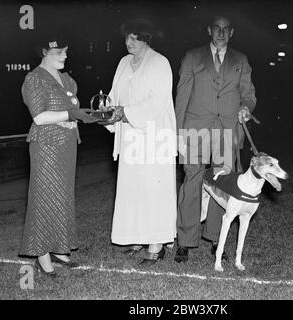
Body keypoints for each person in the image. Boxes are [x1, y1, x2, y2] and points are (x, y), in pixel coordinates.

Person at [174, 14, 257, 262]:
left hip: (227, 130)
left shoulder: (240, 59)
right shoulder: (192, 56)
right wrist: (178, 132)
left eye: (226, 29)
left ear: (231, 33)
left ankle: (213, 238)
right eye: (217, 28)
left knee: (221, 184)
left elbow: (248, 94)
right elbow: (181, 96)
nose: (221, 33)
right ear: (209, 30)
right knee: (192, 180)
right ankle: (185, 241)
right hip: (194, 128)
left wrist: (246, 107)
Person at [19, 36, 98, 276]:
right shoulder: (34, 79)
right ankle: (42, 254)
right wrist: (73, 115)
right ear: (44, 53)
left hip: (67, 146)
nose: (65, 56)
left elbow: (72, 107)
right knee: (44, 198)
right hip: (46, 146)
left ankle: (60, 248)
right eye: (59, 53)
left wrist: (81, 114)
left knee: (63, 197)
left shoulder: (67, 80)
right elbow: (39, 117)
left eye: (66, 52)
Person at [102, 19, 177, 264]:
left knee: (154, 191)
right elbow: (114, 95)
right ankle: (136, 237)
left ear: (146, 38)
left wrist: (125, 112)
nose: (128, 43)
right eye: (126, 38)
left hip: (154, 136)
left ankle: (157, 244)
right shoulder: (123, 63)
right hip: (130, 137)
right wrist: (107, 110)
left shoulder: (160, 62)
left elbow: (157, 103)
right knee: (133, 190)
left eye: (134, 38)